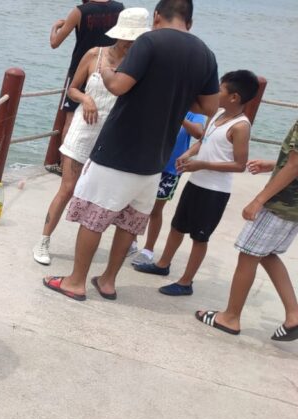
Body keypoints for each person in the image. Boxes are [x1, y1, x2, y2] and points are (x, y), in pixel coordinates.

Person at [43, 0, 219, 301]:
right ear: (189, 21)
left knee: (93, 216)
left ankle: (75, 281)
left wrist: (106, 70)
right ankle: (109, 281)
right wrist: (172, 95)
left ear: (158, 16)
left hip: (119, 148)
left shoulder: (149, 41)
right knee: (130, 220)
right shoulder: (206, 54)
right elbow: (209, 107)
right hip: (156, 156)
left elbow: (118, 87)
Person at [33, 8, 149, 266]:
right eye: (128, 38)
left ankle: (126, 242)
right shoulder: (95, 55)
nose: (131, 44)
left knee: (113, 195)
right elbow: (72, 89)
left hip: (114, 138)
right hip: (84, 133)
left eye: (136, 40)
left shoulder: (141, 65)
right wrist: (86, 98)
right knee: (67, 189)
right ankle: (43, 239)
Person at [135, 71, 258, 296]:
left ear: (234, 97)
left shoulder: (241, 126)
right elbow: (204, 141)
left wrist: (202, 164)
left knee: (199, 237)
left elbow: (239, 165)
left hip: (215, 191)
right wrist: (189, 153)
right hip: (196, 182)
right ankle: (162, 264)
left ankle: (186, 282)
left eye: (221, 89)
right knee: (177, 225)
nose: (216, 92)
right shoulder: (217, 114)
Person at [196, 120, 298, 341]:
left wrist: (258, 200)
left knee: (249, 254)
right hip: (293, 206)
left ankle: (230, 317)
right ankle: (294, 315)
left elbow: (295, 165)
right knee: (266, 254)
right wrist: (274, 164)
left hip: (282, 202)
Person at [131, 112, 207, 267]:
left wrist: (179, 115)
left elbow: (199, 133)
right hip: (147, 161)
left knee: (155, 210)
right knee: (135, 205)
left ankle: (148, 249)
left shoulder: (194, 112)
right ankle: (131, 241)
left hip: (170, 169)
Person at [49, 0, 125, 141]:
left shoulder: (80, 11)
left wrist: (55, 27)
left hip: (81, 69)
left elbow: (54, 43)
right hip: (111, 69)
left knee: (70, 118)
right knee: (106, 116)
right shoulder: (119, 8)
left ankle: (64, 161)